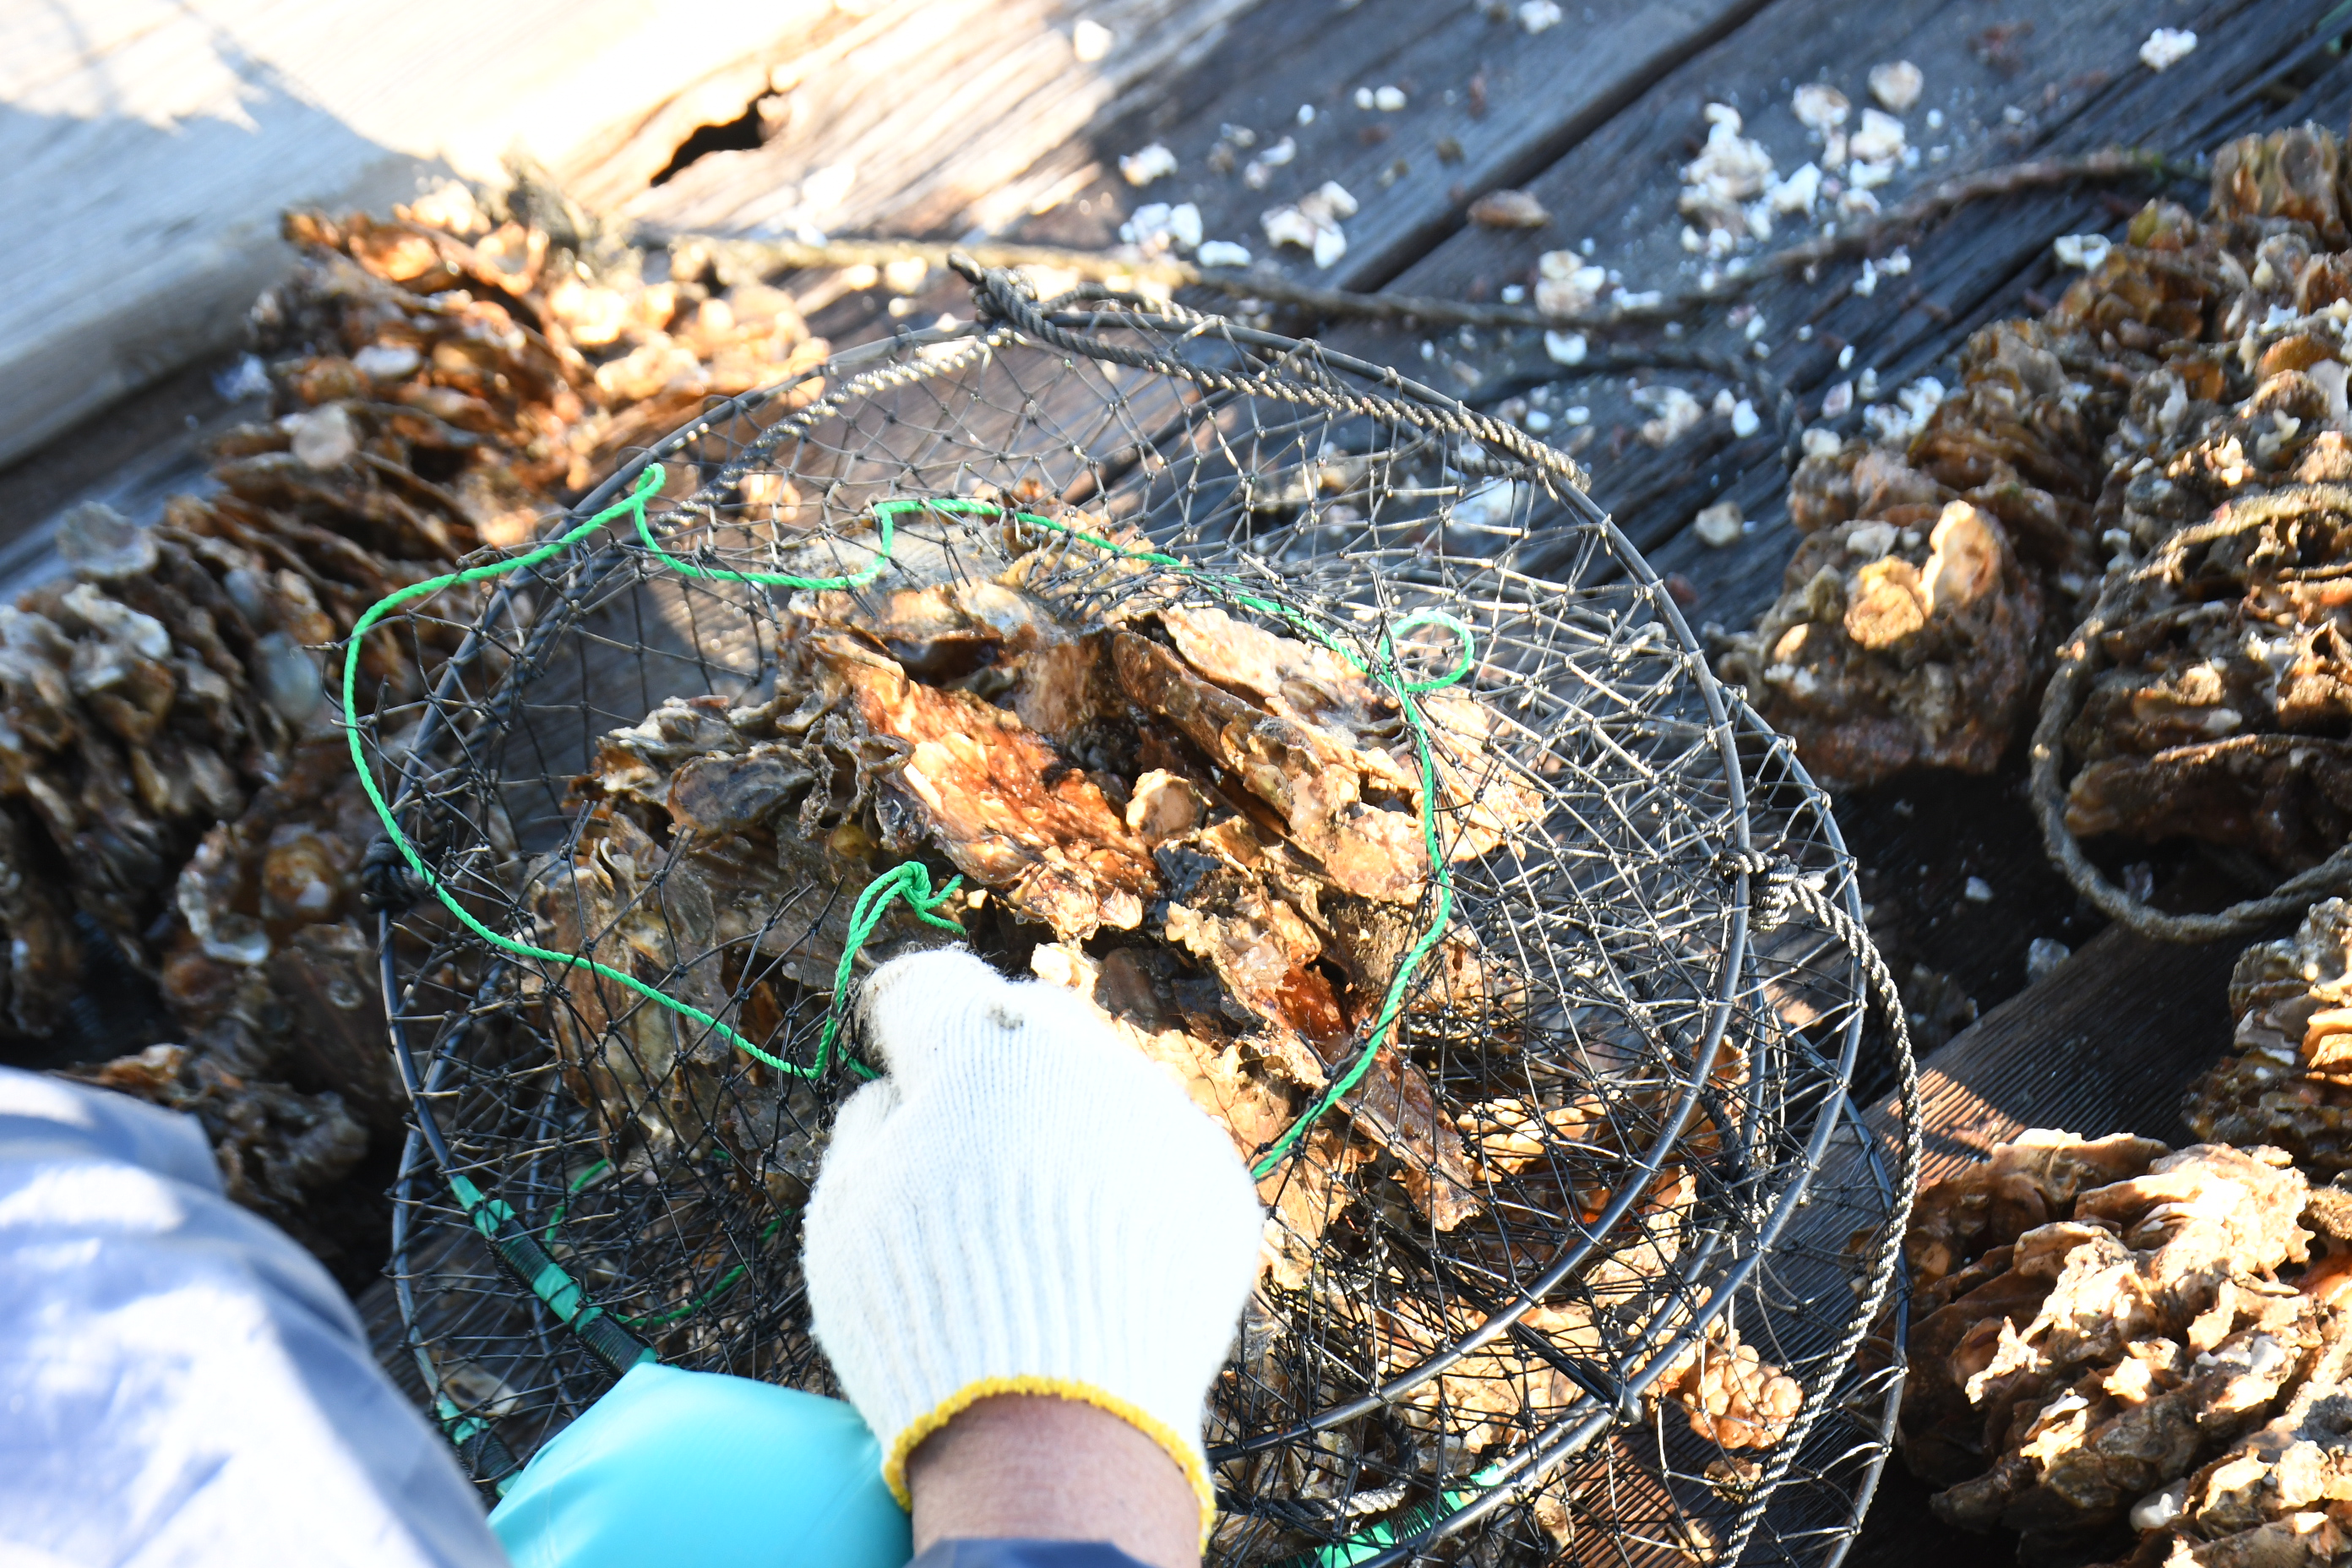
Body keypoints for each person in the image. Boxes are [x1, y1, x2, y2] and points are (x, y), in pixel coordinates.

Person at [0, 949, 1266, 1568]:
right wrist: (1054, 1442)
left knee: (707, 1481)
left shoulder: (62, 1216)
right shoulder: (83, 1307)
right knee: (766, 1495)